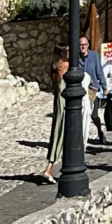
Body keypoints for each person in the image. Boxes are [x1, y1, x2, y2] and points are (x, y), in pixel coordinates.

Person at [44, 48, 70, 181]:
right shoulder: (65, 65)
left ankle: (49, 167)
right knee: (62, 133)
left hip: (57, 100)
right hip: (64, 102)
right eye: (67, 50)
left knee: (57, 132)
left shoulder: (54, 66)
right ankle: (50, 168)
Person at [81, 34, 108, 148]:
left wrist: (104, 87)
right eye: (80, 45)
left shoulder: (94, 56)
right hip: (80, 89)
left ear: (88, 45)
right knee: (81, 114)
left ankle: (100, 130)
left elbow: (99, 72)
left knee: (93, 114)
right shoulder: (75, 58)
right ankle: (81, 138)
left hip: (92, 89)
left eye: (84, 44)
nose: (82, 47)